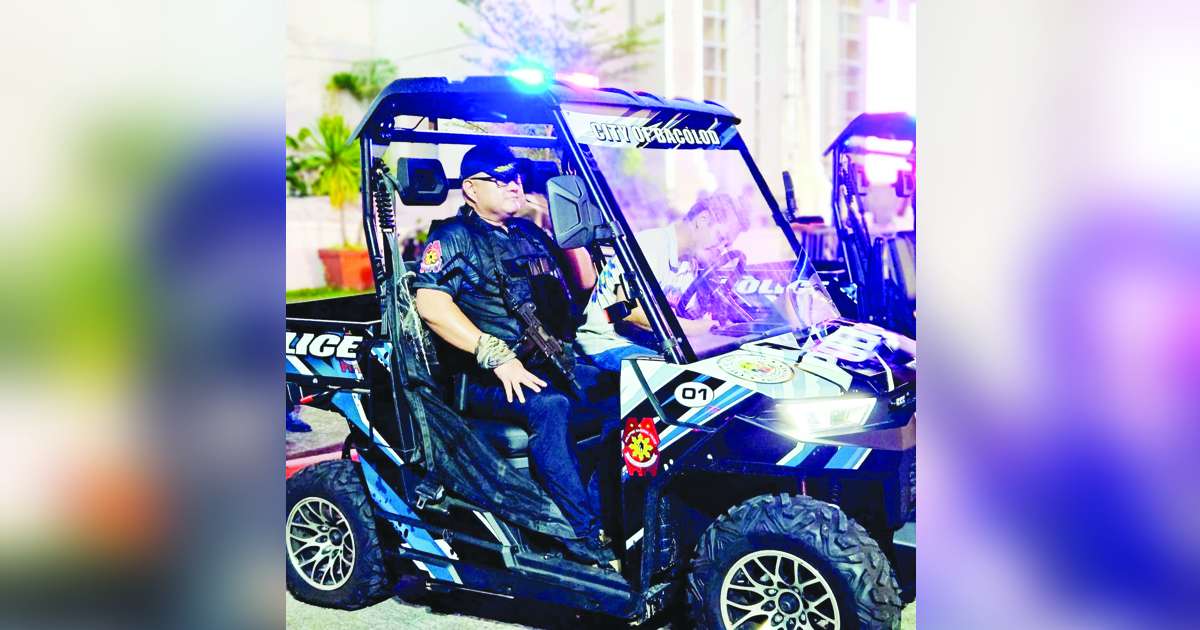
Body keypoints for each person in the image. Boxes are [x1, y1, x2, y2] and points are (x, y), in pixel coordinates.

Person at [412, 142, 619, 566]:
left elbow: (585, 282)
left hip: (547, 362)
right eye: (500, 178)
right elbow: (431, 305)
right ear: (471, 188)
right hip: (484, 379)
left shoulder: (530, 232)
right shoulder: (452, 237)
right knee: (552, 407)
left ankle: (606, 511)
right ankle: (580, 533)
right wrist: (493, 353)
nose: (513, 184)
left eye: (517, 177)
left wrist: (560, 220)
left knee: (628, 397)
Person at [576, 193, 750, 371]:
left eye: (726, 245)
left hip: (644, 342)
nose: (720, 248)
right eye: (721, 238)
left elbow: (684, 311)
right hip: (606, 343)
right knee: (681, 376)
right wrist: (697, 328)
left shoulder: (689, 263)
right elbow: (631, 312)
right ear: (702, 219)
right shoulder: (650, 246)